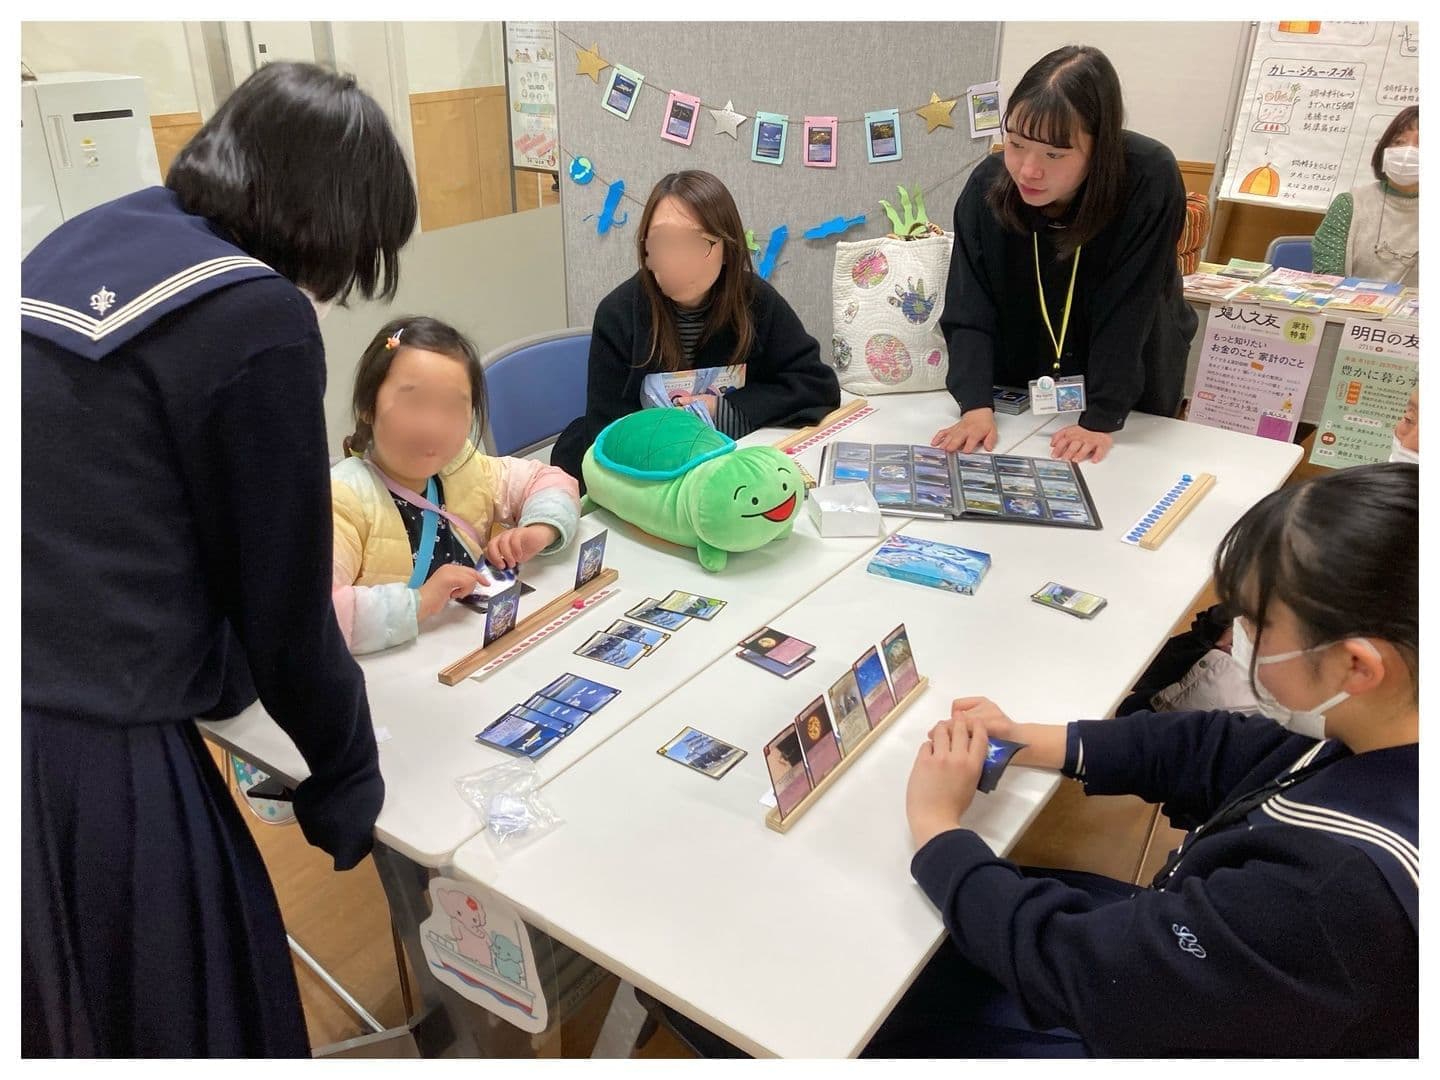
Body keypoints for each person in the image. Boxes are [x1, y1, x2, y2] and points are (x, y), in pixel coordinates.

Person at [21, 63, 416, 1056]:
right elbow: (285, 606)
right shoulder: (255, 314)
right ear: (334, 216)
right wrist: (347, 775)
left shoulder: (79, 241)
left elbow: (133, 506)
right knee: (194, 1012)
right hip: (92, 751)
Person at [884, 462, 1417, 1056]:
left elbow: (1076, 968)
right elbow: (1216, 749)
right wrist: (1028, 739)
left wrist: (937, 828)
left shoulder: (1328, 898)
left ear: (1356, 666)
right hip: (1221, 965)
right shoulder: (1380, 727)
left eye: (1258, 622)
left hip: (1179, 1021)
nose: (1237, 635)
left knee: (894, 1005)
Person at [932, 46, 1197, 464]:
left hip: (1127, 386)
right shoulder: (988, 186)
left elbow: (1132, 305)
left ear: (1101, 145)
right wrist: (975, 404)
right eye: (1016, 143)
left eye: (1054, 154)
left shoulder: (1147, 178)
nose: (1028, 170)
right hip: (1020, 387)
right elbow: (970, 302)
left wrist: (1102, 417)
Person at [552, 170, 840, 486]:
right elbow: (606, 433)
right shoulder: (619, 313)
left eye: (695, 242)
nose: (677, 259)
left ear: (727, 249)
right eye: (662, 241)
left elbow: (817, 386)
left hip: (732, 470)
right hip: (649, 479)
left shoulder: (755, 302)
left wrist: (723, 411)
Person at [332, 317, 580, 654]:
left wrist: (541, 528)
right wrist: (420, 601)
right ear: (367, 407)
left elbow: (548, 480)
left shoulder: (463, 466)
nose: (433, 426)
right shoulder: (343, 500)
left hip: (476, 652)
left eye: (452, 406)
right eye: (413, 402)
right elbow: (311, 613)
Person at [1312, 106, 1418, 284]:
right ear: (1384, 149)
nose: (1408, 152)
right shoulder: (1350, 205)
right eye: (1399, 142)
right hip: (1351, 301)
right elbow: (1327, 279)